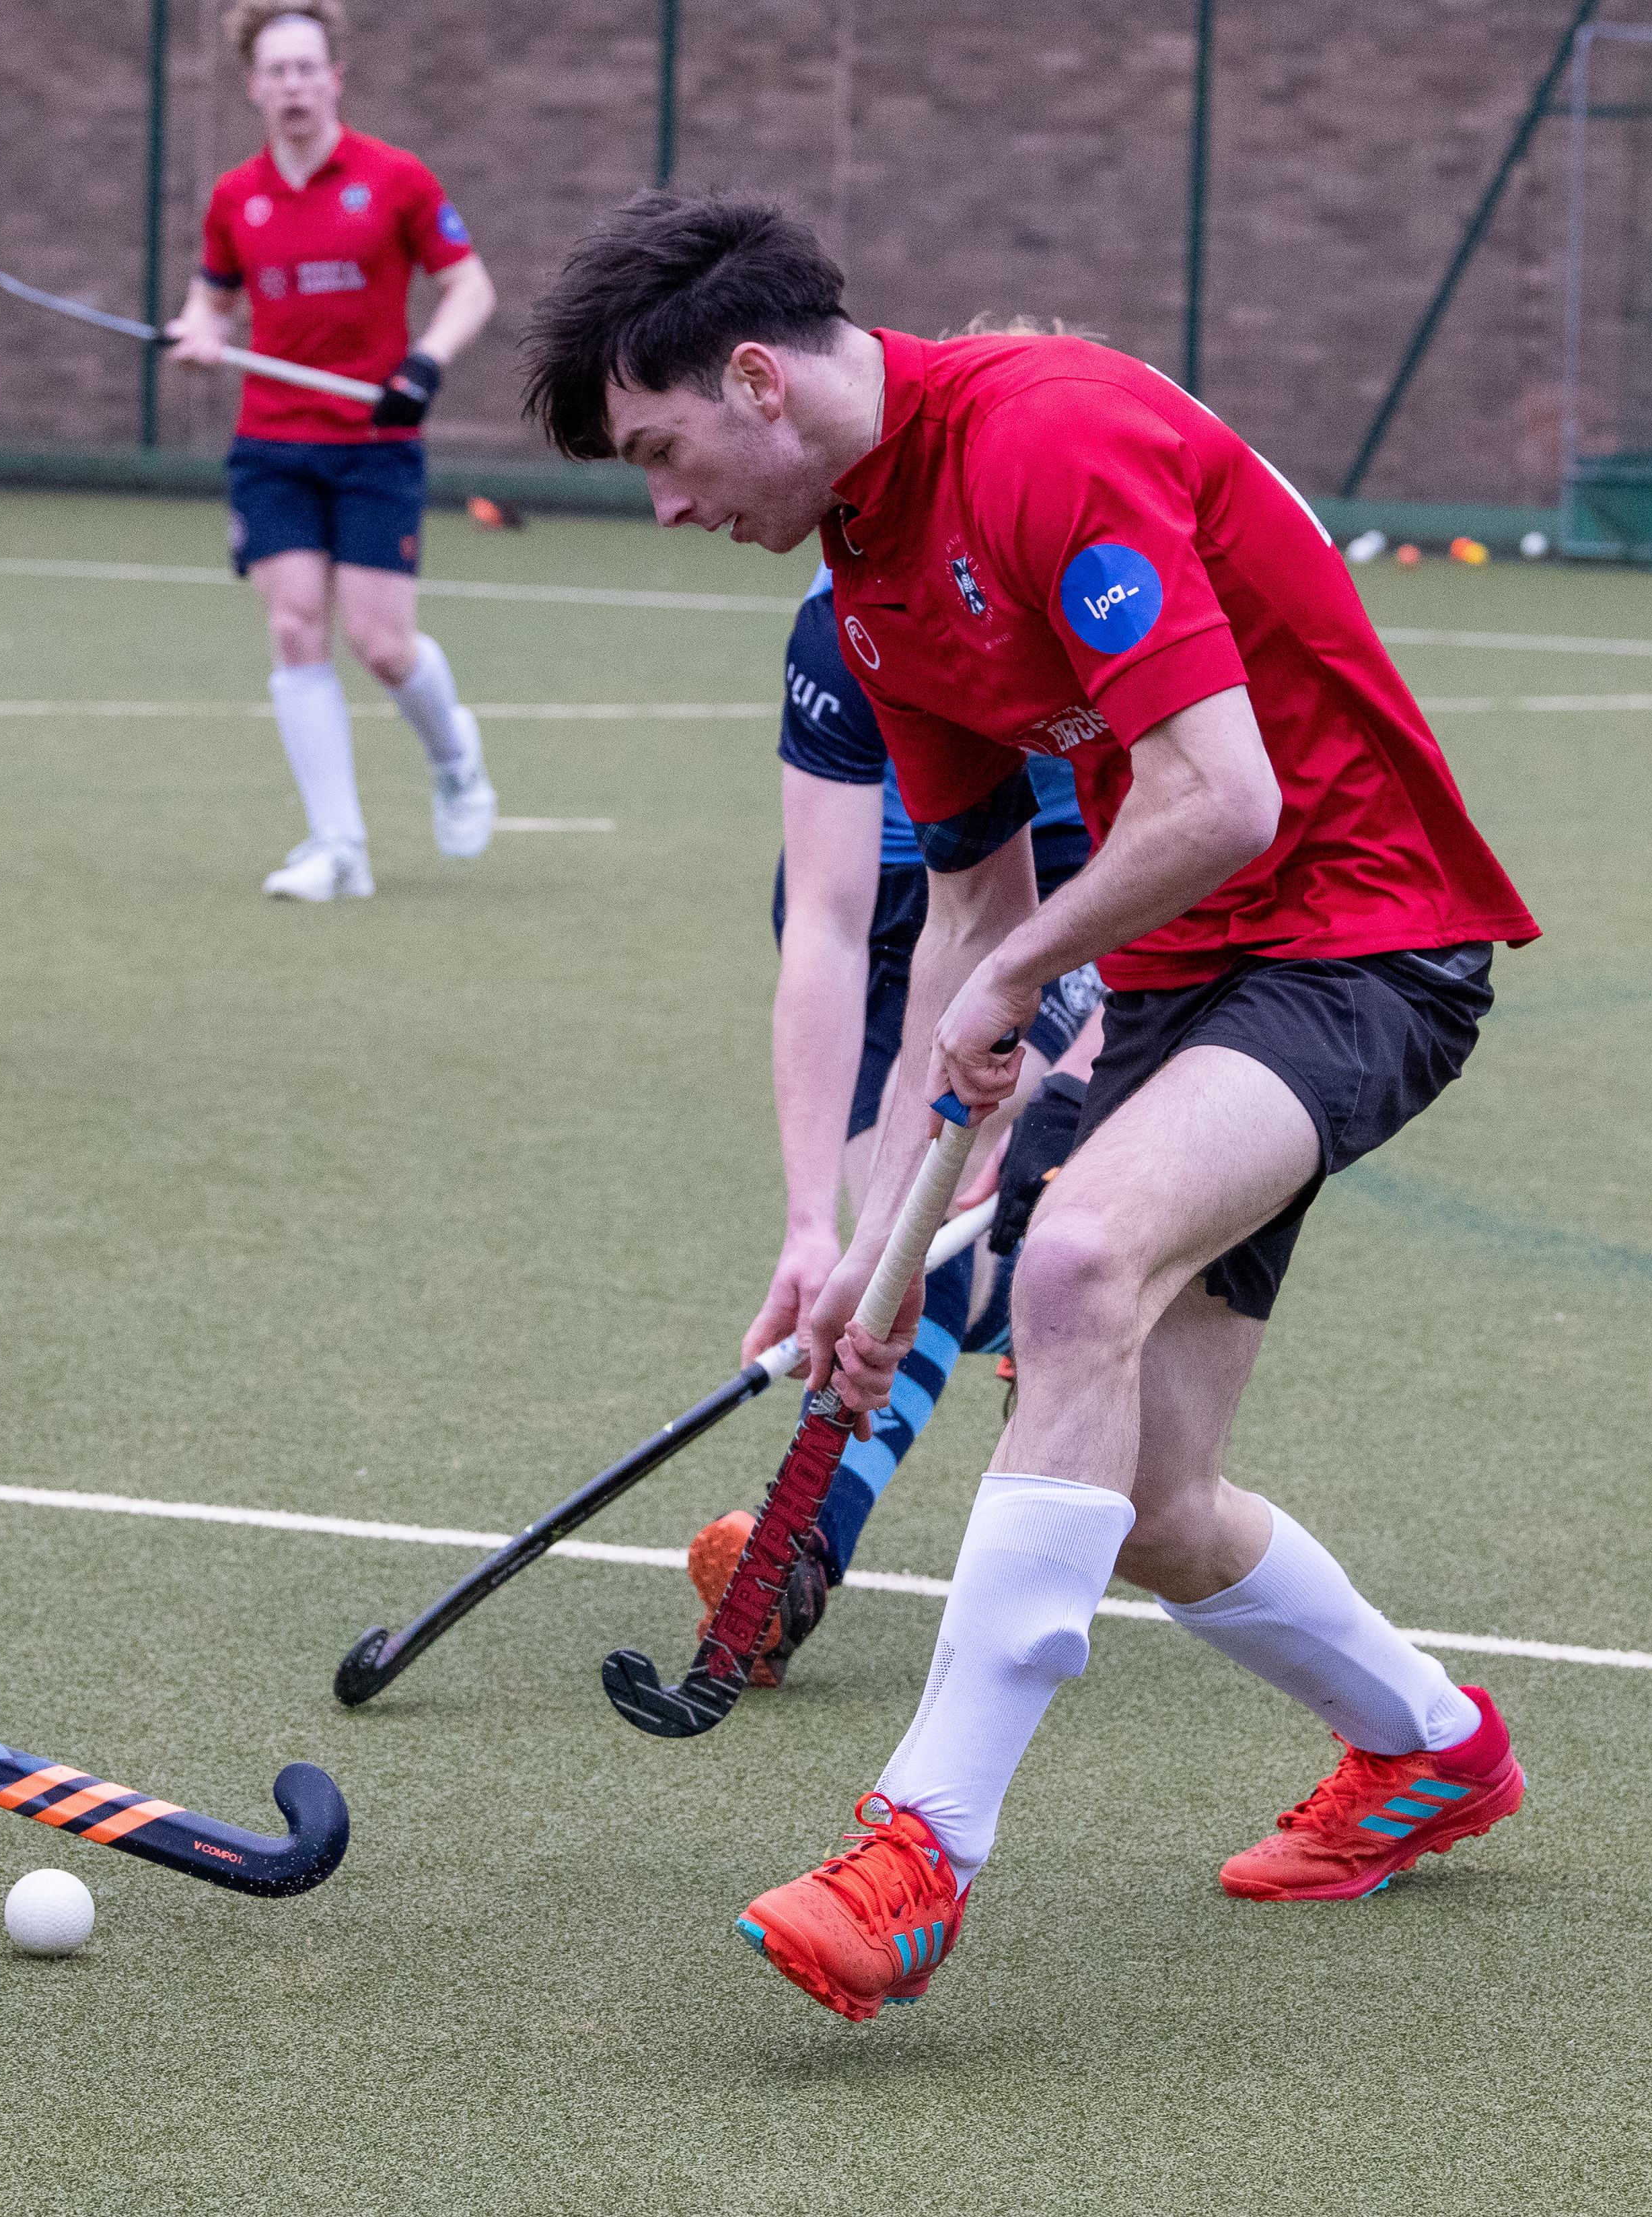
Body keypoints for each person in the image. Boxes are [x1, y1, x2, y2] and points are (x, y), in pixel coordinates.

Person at [527, 193, 1543, 2023]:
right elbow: (979, 919)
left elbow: (1220, 798)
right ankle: (1433, 1750)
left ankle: (918, 1850)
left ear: (756, 381)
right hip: (1186, 982)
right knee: (1155, 1500)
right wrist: (878, 1239)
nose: (669, 504)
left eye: (665, 453)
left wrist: (1010, 988)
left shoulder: (1043, 436)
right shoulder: (873, 572)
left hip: (1365, 937)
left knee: (1073, 1268)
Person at [684, 541, 1106, 1681]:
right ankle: (1016, 1318)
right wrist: (809, 1223)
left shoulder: (1094, 579)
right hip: (890, 913)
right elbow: (822, 923)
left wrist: (1070, 1072)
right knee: (904, 1226)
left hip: (1062, 887)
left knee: (956, 1198)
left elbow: (1186, 844)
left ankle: (807, 1545)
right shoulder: (842, 614)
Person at [165, 0, 500, 903]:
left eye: (308, 67)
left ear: (336, 76)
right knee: (293, 625)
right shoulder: (238, 197)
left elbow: (469, 288)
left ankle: (454, 756)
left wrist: (424, 365)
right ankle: (337, 846)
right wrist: (199, 331)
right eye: (277, 71)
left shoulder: (396, 179)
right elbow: (214, 296)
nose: (295, 85)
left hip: (372, 443)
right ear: (253, 88)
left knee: (384, 646)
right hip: (271, 442)